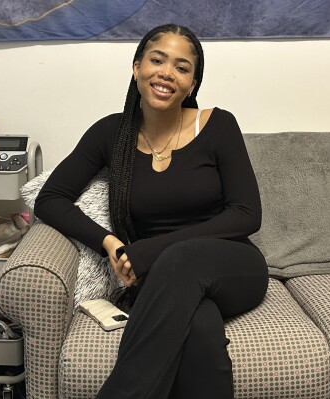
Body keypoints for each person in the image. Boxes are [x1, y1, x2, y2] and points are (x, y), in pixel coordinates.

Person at [35, 23, 269, 399]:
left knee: (180, 258)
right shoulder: (111, 134)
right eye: (157, 60)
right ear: (136, 67)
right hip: (159, 278)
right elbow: (50, 198)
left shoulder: (218, 125)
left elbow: (246, 214)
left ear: (192, 84)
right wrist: (109, 242)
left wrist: (152, 251)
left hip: (231, 265)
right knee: (201, 329)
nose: (166, 73)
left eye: (182, 67)